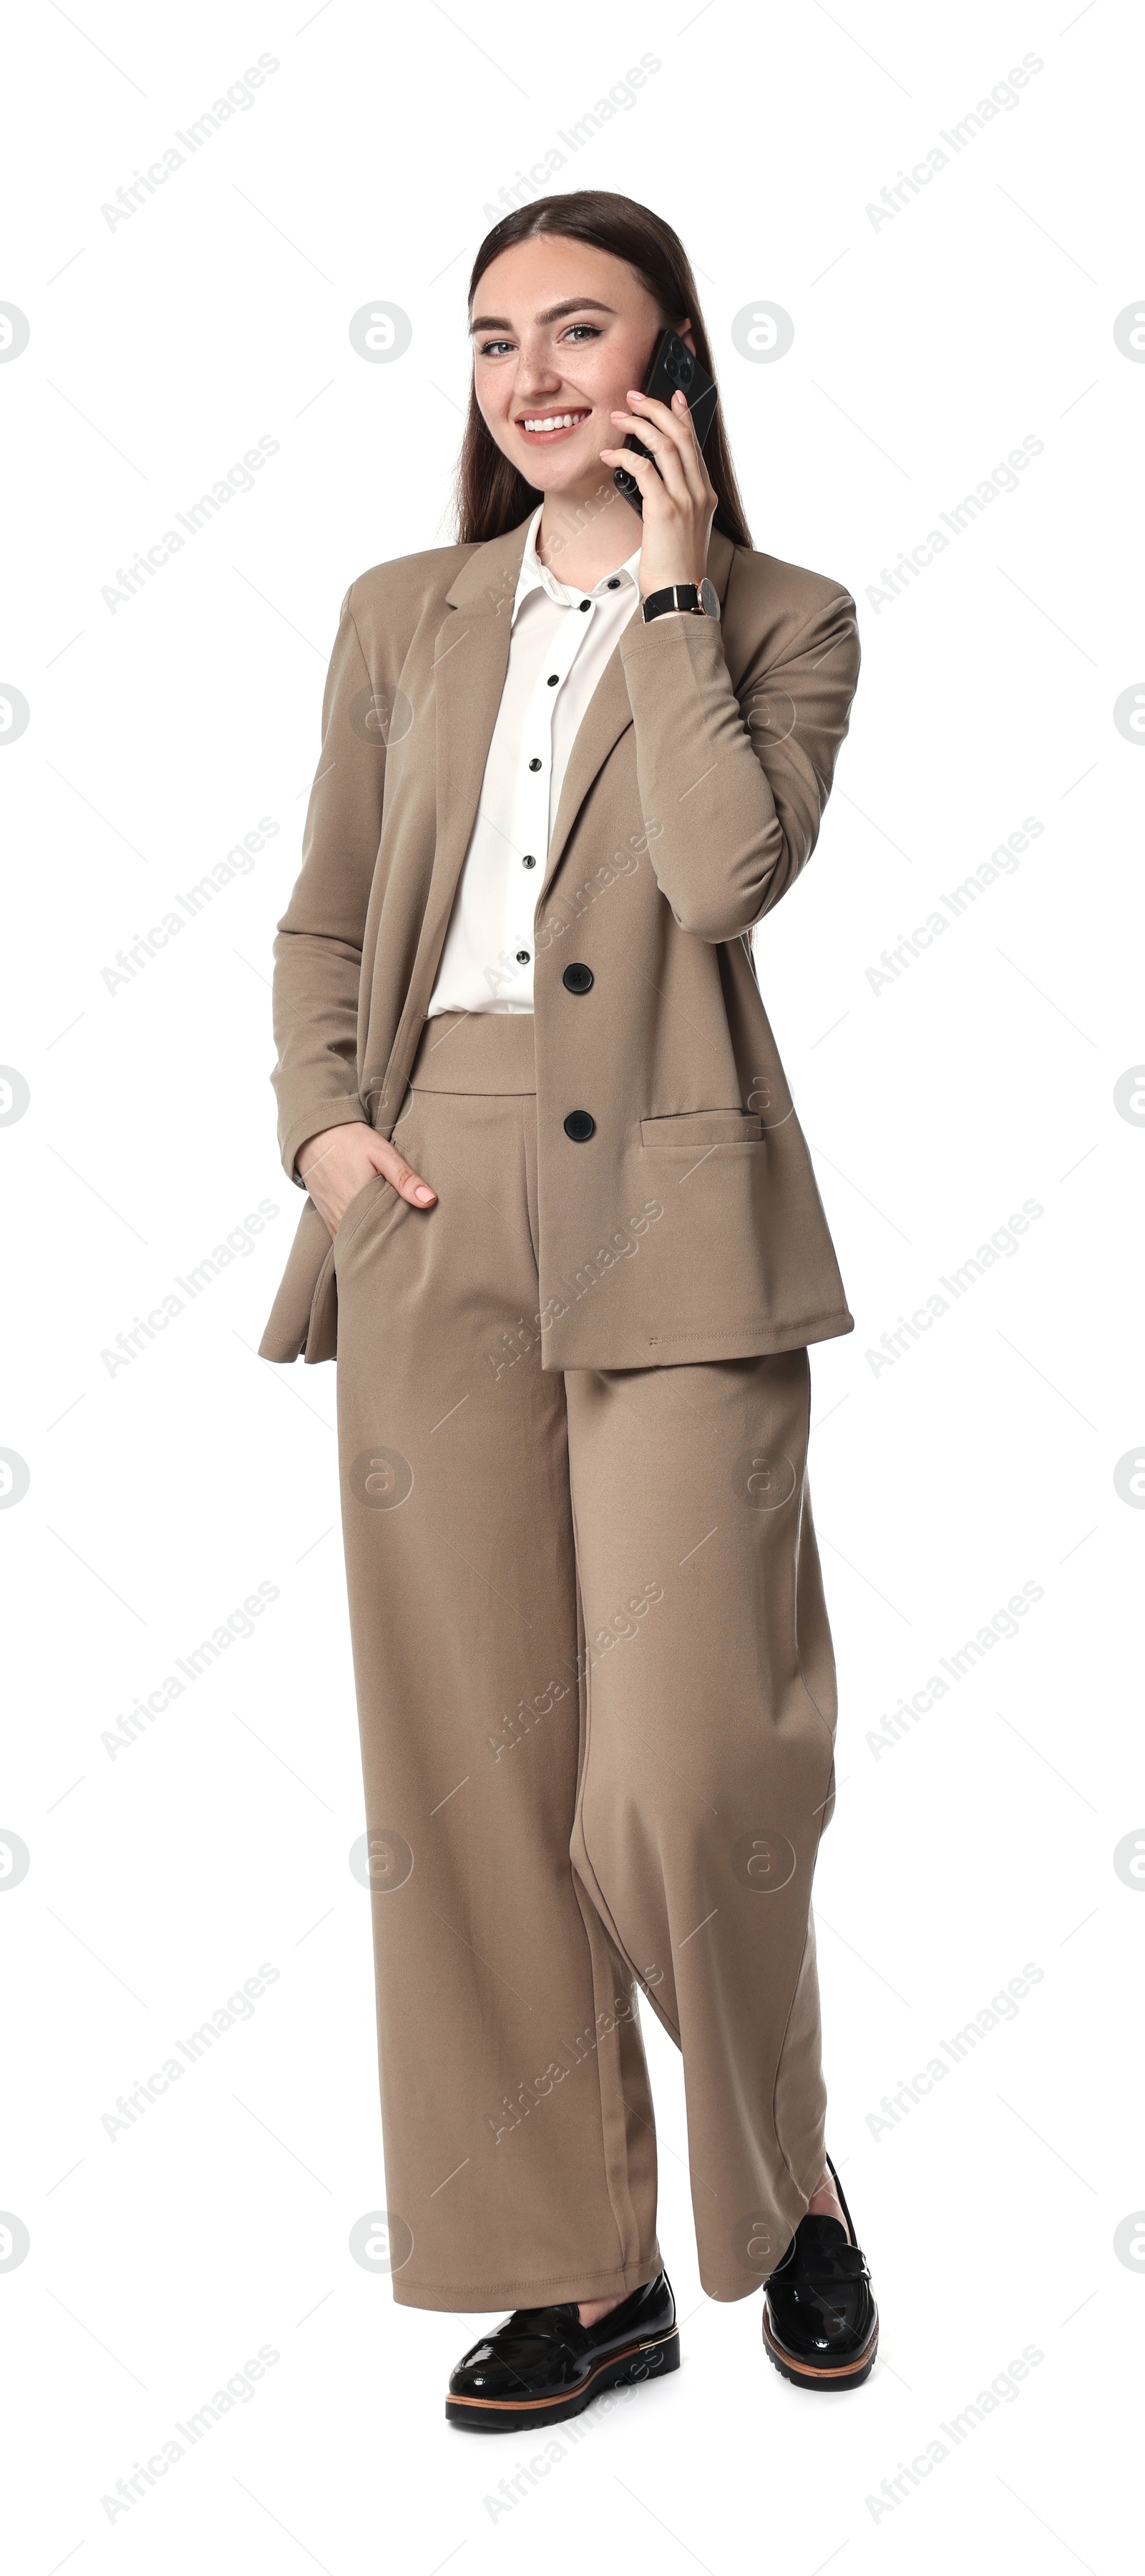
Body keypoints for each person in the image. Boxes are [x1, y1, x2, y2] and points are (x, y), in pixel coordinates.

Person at [259, 189, 878, 2429]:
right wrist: (328, 1136)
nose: (531, 378)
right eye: (495, 337)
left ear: (674, 358)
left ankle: (785, 2189)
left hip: (678, 1215)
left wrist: (677, 594)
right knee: (476, 1769)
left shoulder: (783, 618)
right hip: (433, 1198)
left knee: (684, 1766)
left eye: (581, 332)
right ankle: (573, 2267)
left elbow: (726, 877)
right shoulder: (401, 613)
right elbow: (328, 923)